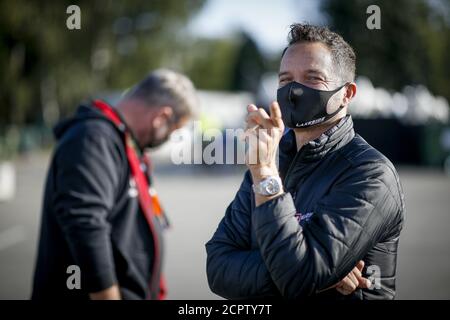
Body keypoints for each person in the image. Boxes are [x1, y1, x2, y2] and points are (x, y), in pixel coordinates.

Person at [206, 23, 405, 300]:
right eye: (285, 80)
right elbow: (217, 268)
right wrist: (313, 274)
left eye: (312, 78)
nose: (294, 90)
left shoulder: (370, 173)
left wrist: (266, 178)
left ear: (347, 94)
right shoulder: (270, 165)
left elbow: (299, 277)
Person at [32, 69, 198, 300]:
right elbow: (85, 224)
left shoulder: (124, 144)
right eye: (172, 132)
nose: (167, 139)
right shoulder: (93, 138)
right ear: (161, 117)